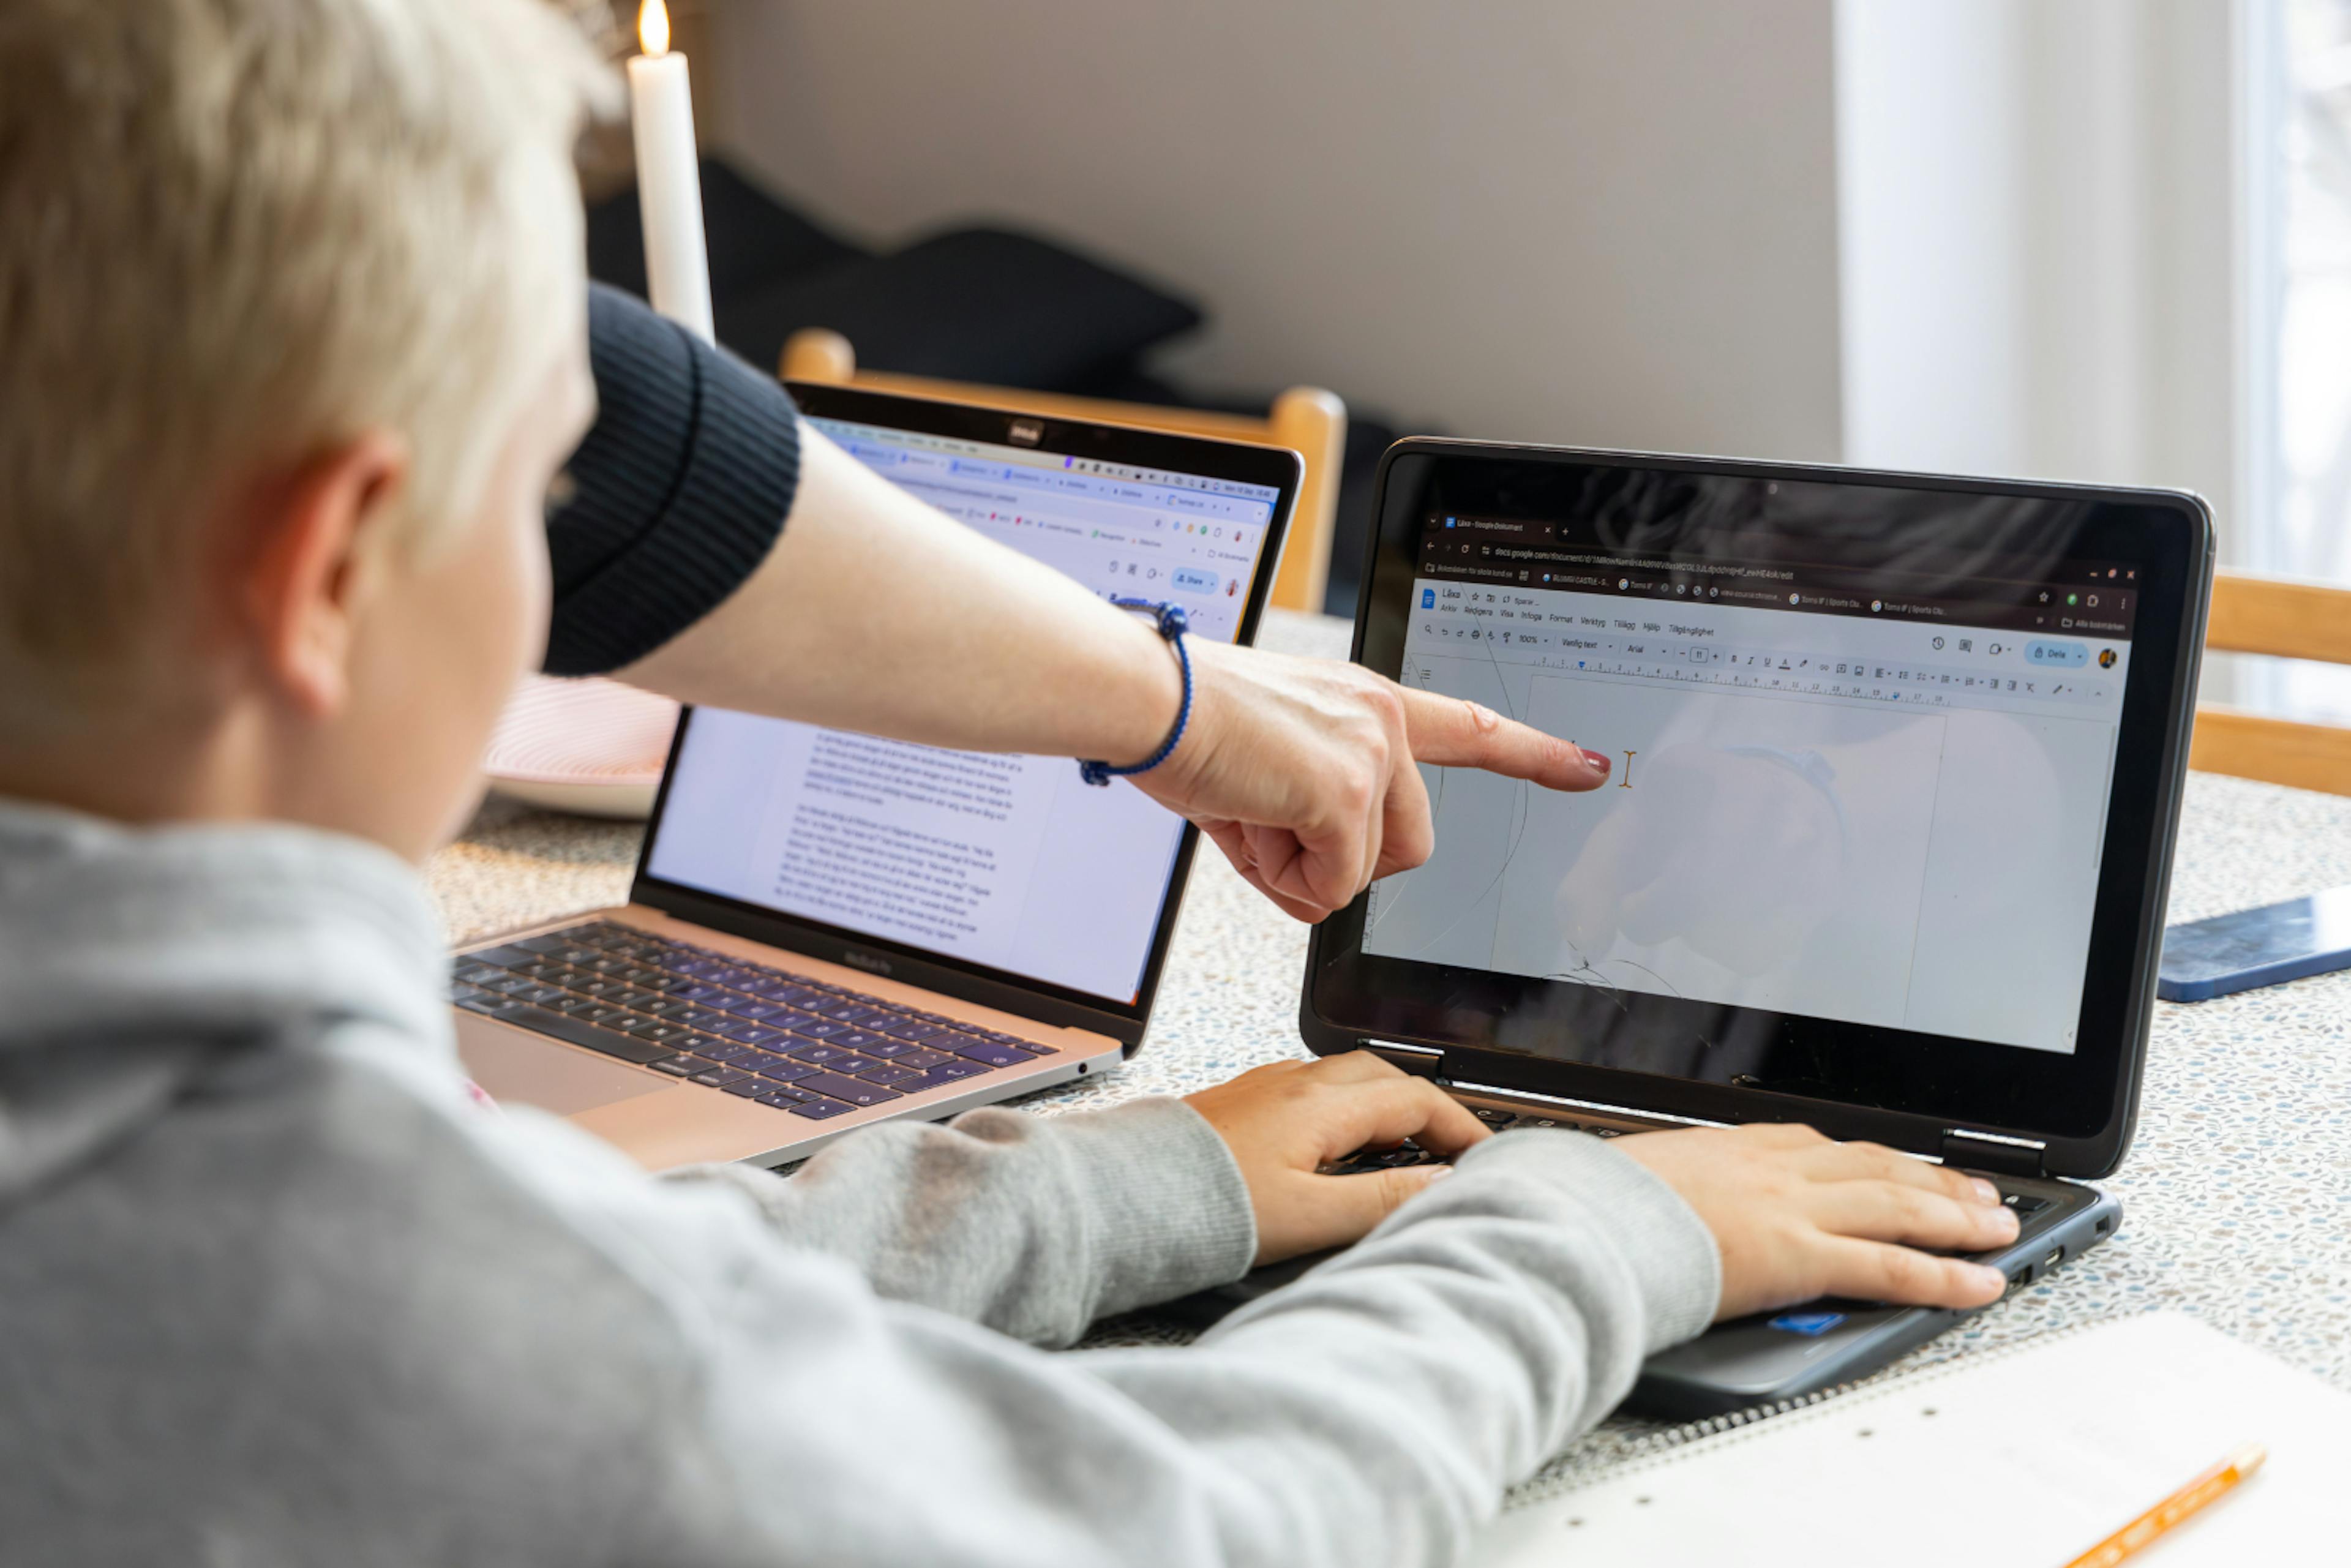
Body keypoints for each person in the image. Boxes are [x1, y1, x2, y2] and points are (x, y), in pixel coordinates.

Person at [0, 2, 2020, 1561]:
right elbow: (1182, 1524)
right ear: (331, 570)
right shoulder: (302, 1250)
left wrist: (1135, 1181)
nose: (585, 543)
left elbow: (598, 1315)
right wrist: (1591, 1224)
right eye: (550, 484)